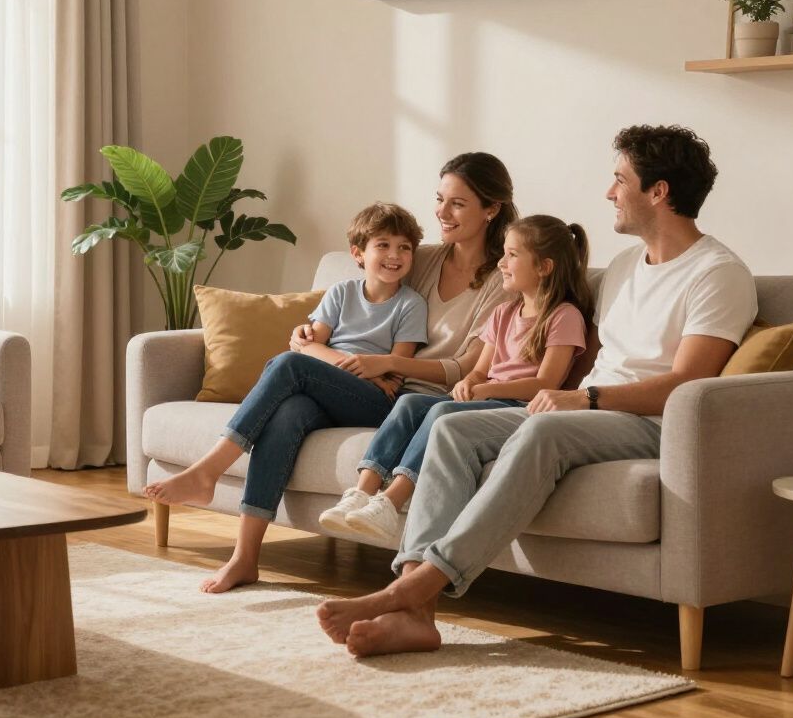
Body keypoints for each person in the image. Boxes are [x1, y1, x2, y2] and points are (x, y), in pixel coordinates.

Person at [316, 124, 758, 657]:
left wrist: (585, 399)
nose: (609, 192)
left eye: (620, 180)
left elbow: (688, 385)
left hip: (649, 423)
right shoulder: (622, 268)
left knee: (544, 432)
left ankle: (412, 588)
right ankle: (416, 617)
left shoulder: (717, 273)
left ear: (658, 191)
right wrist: (552, 389)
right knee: (450, 428)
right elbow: (575, 349)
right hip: (590, 412)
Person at [146, 153, 516, 594]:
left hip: (409, 403)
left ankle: (209, 470)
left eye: (458, 204)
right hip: (362, 385)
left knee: (288, 367)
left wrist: (388, 363)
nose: (442, 212)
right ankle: (244, 557)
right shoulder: (426, 259)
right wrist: (309, 336)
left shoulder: (503, 278)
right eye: (440, 200)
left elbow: (467, 368)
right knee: (288, 415)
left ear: (491, 209)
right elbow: (365, 294)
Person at [321, 214, 592, 545]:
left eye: (512, 256)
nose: (502, 263)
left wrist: (487, 388)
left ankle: (391, 503)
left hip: (520, 405)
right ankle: (361, 494)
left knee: (439, 414)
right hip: (486, 397)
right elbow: (480, 368)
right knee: (409, 403)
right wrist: (470, 382)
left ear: (544, 267)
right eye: (503, 253)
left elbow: (546, 383)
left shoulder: (564, 316)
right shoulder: (505, 312)